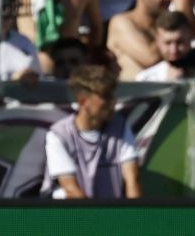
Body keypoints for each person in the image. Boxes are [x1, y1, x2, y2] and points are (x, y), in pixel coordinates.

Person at [40, 65, 141, 200]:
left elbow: (132, 180)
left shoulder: (120, 126)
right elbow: (71, 189)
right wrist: (97, 220)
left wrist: (136, 217)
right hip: (69, 217)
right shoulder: (58, 135)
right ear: (83, 101)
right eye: (105, 97)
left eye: (112, 96)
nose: (113, 103)